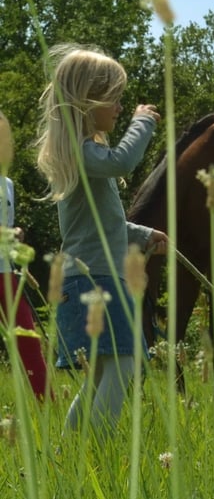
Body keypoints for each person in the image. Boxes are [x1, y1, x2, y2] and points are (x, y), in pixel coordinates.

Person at [36, 44, 168, 436]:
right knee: (125, 364)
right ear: (86, 99)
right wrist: (143, 122)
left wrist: (143, 235)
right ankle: (100, 450)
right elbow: (123, 162)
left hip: (90, 279)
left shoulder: (84, 157)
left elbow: (103, 226)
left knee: (99, 378)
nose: (120, 107)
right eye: (114, 98)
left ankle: (71, 455)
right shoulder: (83, 153)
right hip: (98, 281)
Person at [1, 110, 52, 401]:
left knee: (29, 342)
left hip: (7, 273)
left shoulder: (7, 184)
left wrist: (14, 233)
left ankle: (50, 411)